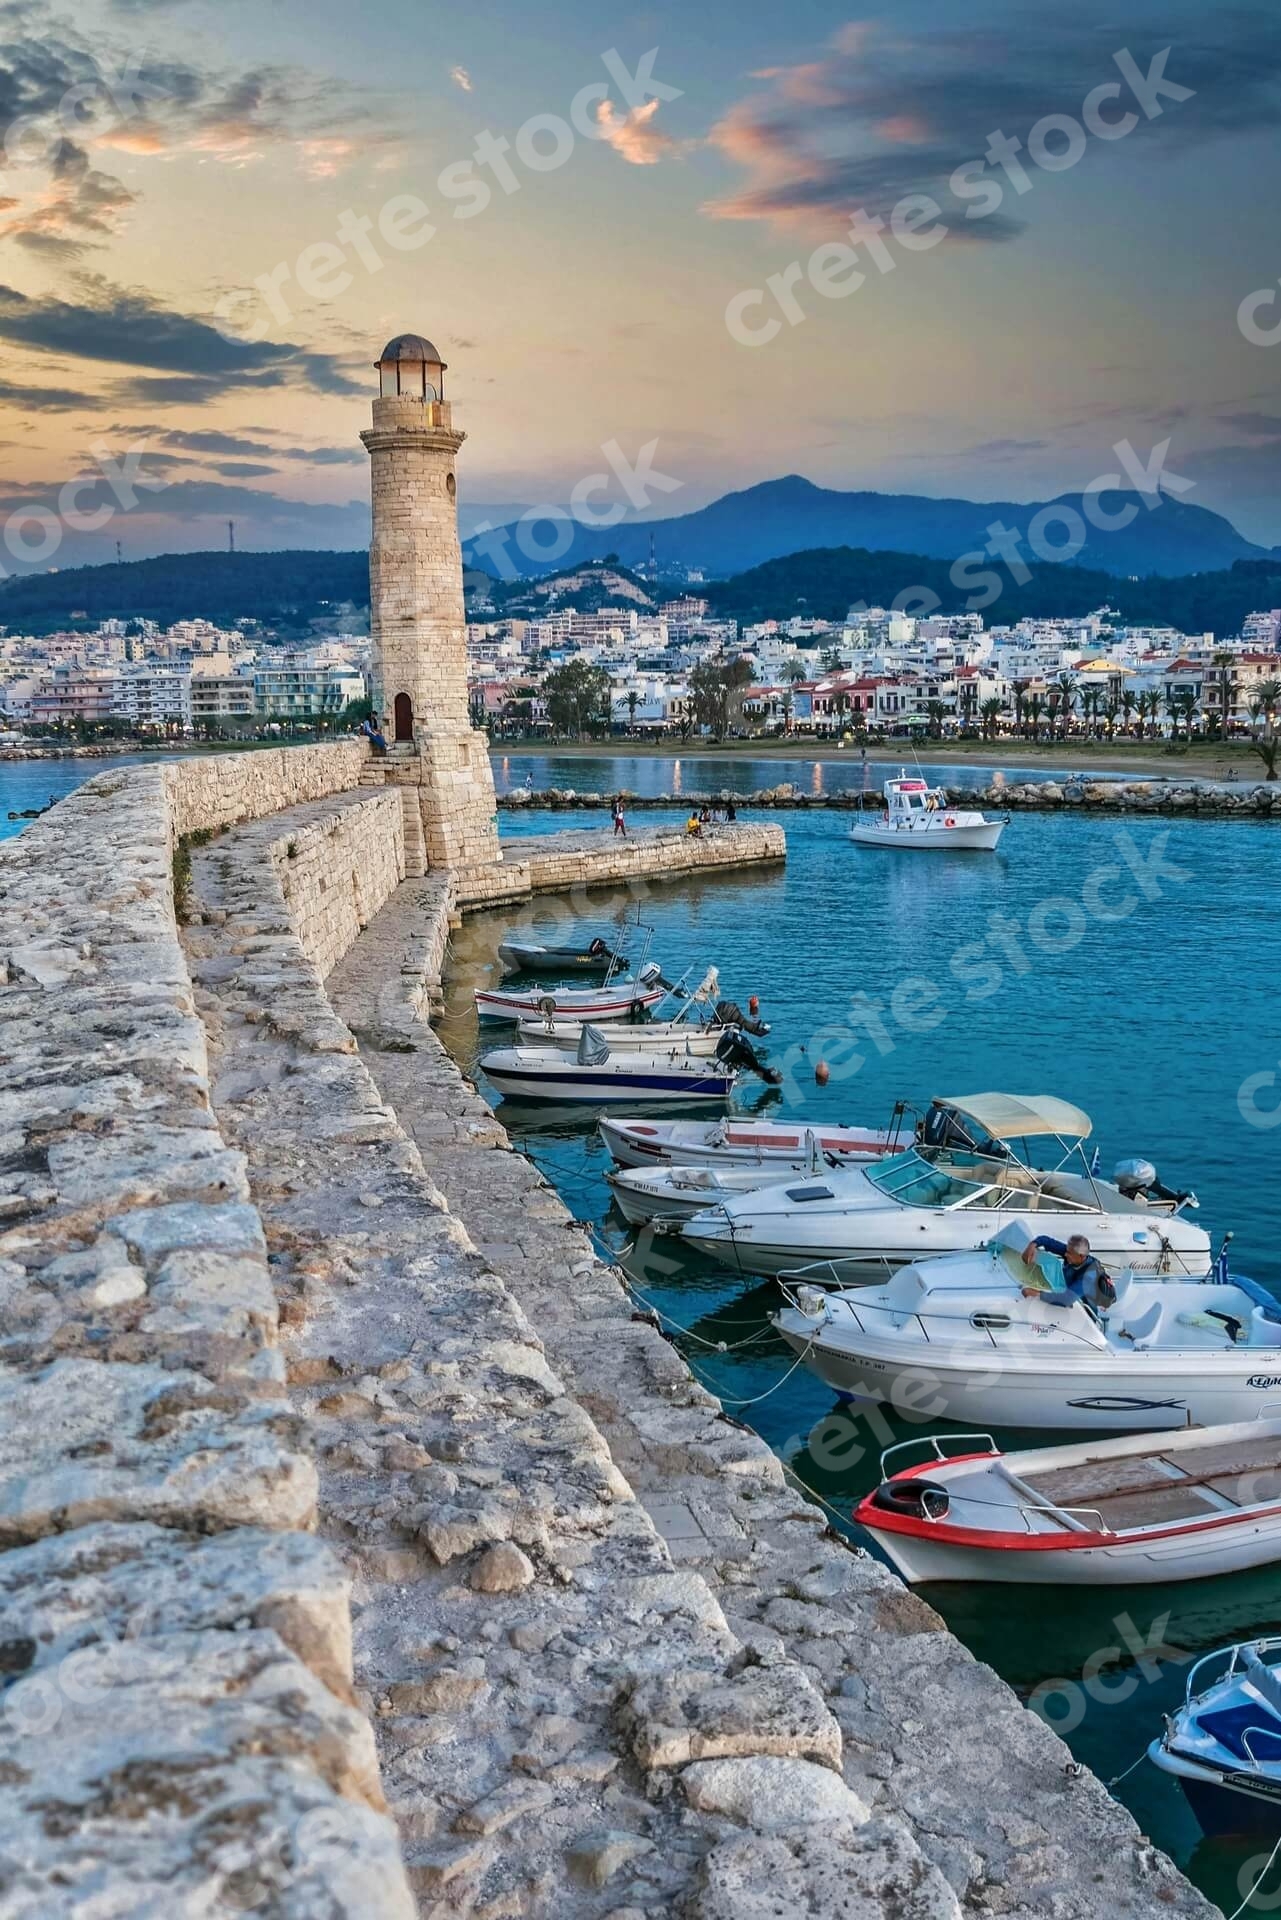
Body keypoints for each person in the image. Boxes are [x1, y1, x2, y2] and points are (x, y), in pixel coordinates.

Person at [1021, 1234, 1116, 1311]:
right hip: (1068, 1293)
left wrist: (1036, 1294)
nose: (1065, 1254)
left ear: (1081, 1256)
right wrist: (1033, 1245)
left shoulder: (1089, 1277)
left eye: (1069, 1253)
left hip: (1084, 1311)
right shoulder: (1072, 1254)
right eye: (1066, 1251)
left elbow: (1066, 1299)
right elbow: (1048, 1241)